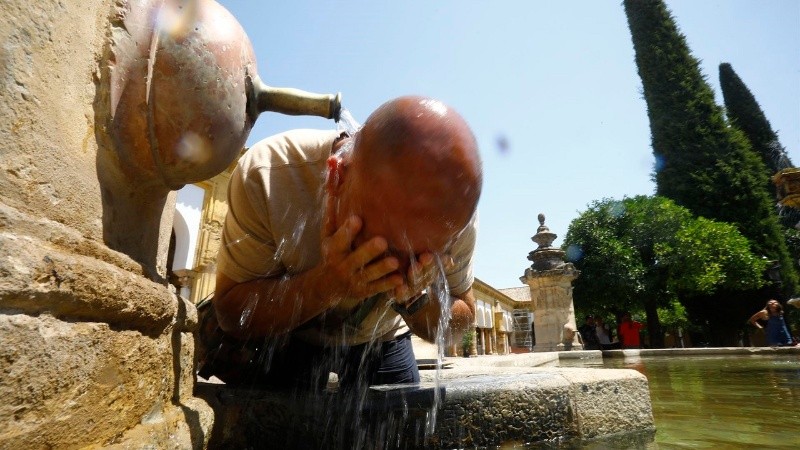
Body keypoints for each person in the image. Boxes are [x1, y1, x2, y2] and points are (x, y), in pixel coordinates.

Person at [198, 96, 483, 393]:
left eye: (418, 255)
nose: (393, 268)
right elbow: (231, 314)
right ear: (336, 177)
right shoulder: (270, 174)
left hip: (382, 337)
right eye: (381, 248)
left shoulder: (454, 218)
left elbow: (462, 321)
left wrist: (415, 300)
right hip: (288, 335)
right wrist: (328, 284)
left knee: (402, 430)